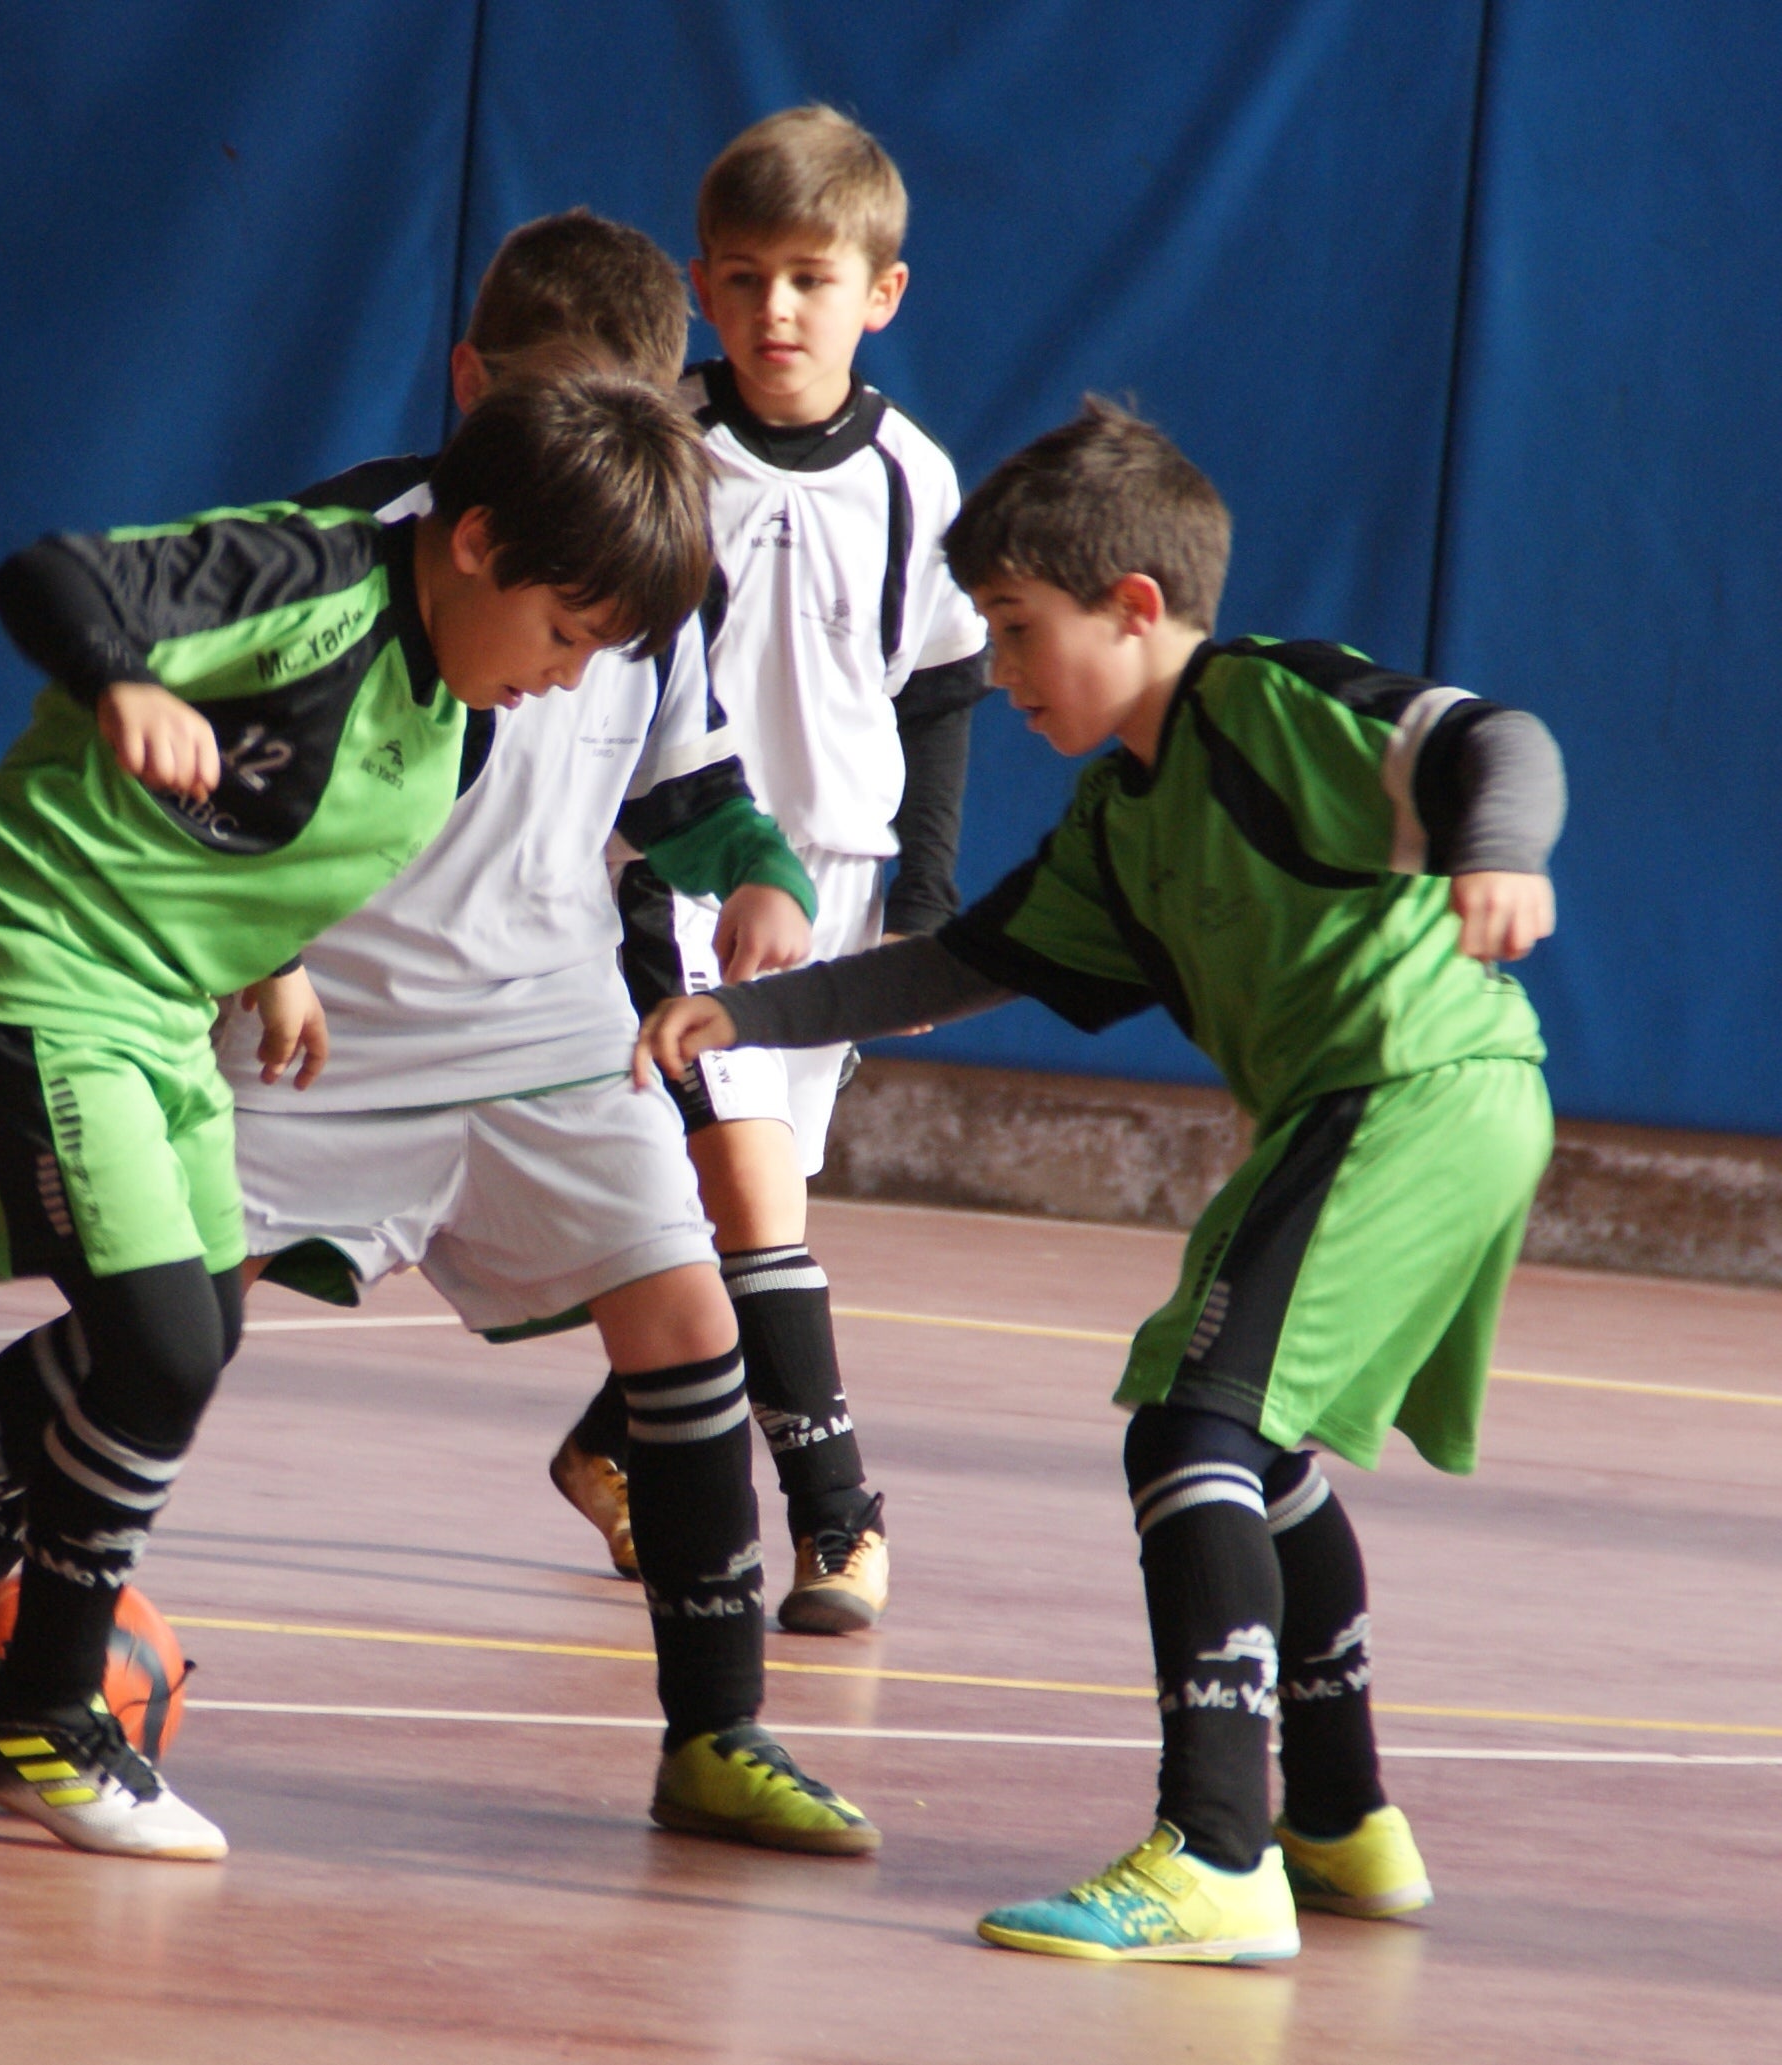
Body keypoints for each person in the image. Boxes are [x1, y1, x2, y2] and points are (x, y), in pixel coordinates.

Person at [636, 396, 1566, 1960]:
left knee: (1189, 1429)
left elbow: (1494, 741)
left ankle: (1216, 1851)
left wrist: (1503, 846)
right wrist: (756, 1014)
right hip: (1400, 1107)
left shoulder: (1263, 705)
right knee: (1253, 1456)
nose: (998, 677)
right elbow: (957, 961)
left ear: (1136, 609)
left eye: (1015, 632)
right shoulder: (1122, 816)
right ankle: (1337, 1820)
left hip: (1415, 1085)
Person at [0, 366, 716, 1862]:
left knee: (188, 1320)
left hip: (152, 1010)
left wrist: (276, 965)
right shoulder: (309, 569)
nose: (568, 677)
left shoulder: (455, 704)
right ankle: (40, 1722)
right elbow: (52, 574)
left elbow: (266, 813)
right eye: (565, 632)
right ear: (474, 543)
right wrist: (124, 677)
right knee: (160, 1341)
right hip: (34, 958)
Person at [219, 210, 875, 1855]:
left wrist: (764, 875)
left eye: (632, 429)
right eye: (558, 418)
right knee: (158, 1332)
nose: (596, 472)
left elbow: (687, 782)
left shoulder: (661, 581)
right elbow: (216, 767)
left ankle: (718, 1732)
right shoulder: (345, 544)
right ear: (474, 393)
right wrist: (257, 939)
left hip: (544, 1020)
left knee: (684, 1316)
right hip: (332, 1019)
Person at [556, 106, 993, 1636]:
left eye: (810, 278)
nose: (774, 313)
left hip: (844, 879)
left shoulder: (921, 482)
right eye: (740, 280)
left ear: (881, 291)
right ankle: (838, 1514)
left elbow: (937, 693)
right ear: (697, 286)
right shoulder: (657, 451)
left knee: (759, 1211)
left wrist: (923, 908)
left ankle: (617, 1440)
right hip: (681, 869)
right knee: (753, 1204)